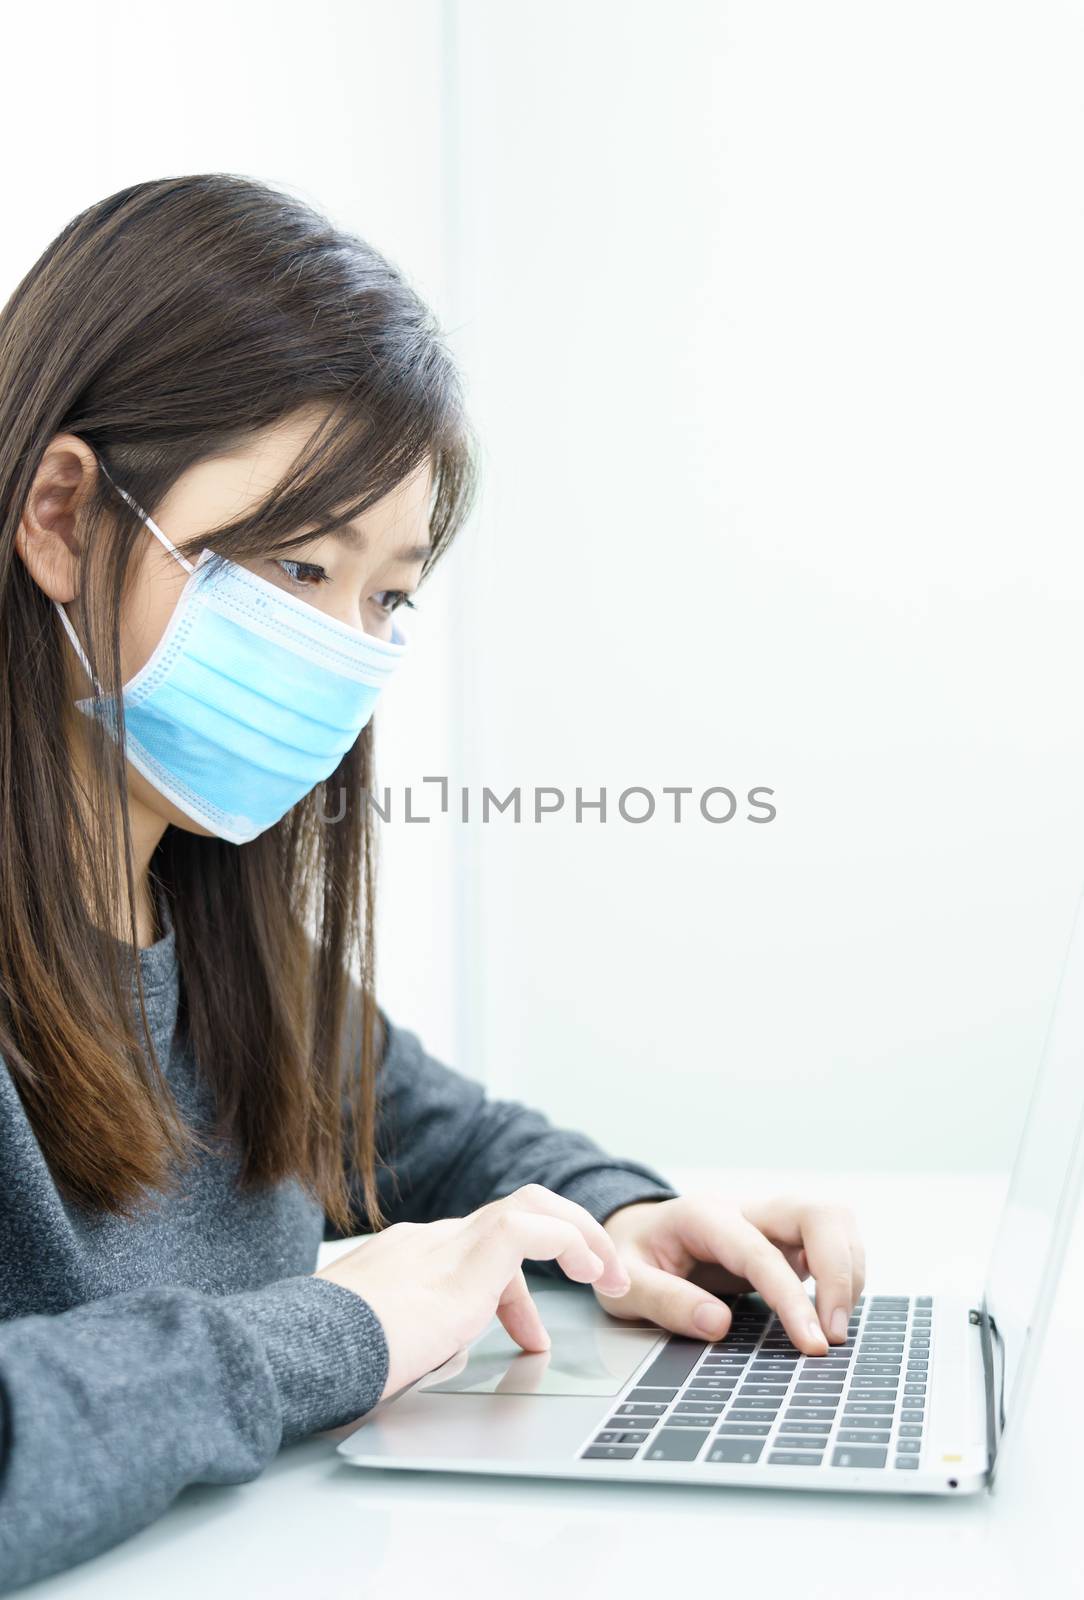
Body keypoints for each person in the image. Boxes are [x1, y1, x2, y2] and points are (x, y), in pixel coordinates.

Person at [0, 174, 864, 1592]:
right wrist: (340, 1328)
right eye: (297, 562)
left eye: (387, 596)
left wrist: (624, 1217)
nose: (344, 653)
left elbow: (443, 1139)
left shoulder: (207, 916)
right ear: (61, 514)